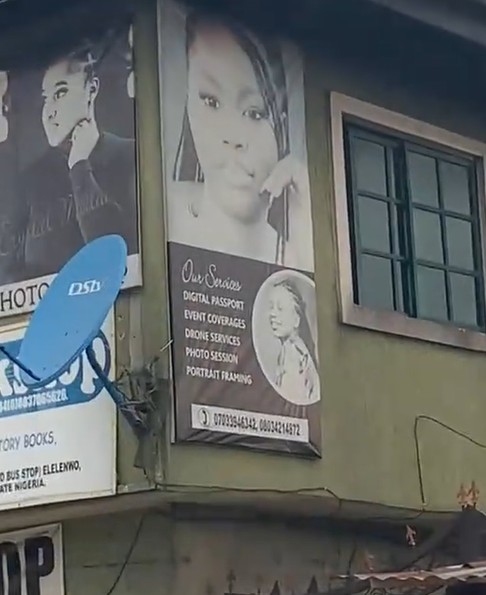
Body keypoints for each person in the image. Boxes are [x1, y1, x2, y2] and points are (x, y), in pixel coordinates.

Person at [171, 11, 311, 268]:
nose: (233, 137)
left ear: (281, 123)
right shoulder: (162, 212)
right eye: (211, 102)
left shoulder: (297, 260)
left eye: (254, 113)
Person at [13, 46, 138, 282]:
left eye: (60, 93)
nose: (49, 112)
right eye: (46, 98)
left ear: (92, 89)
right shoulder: (32, 179)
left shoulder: (130, 157)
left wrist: (80, 166)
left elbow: (115, 260)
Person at [268, 279, 319, 405]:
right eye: (271, 307)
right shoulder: (286, 353)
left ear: (296, 319)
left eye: (280, 308)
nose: (272, 314)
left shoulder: (298, 358)